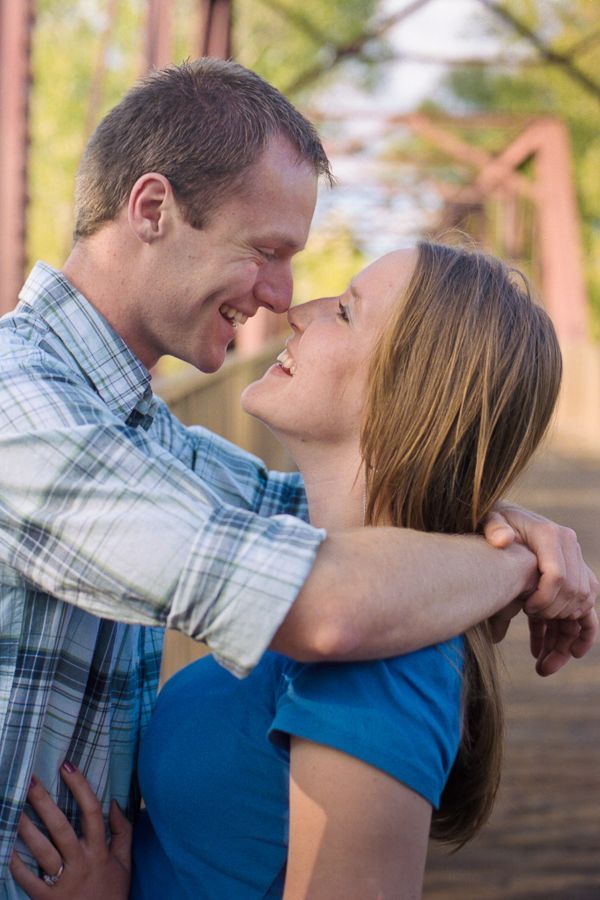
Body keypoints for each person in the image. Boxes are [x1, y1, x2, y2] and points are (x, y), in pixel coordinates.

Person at [0, 59, 596, 897]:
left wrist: (496, 518)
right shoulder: (19, 408)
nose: (287, 299)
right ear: (152, 210)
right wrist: (514, 560)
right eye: (266, 252)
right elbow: (321, 597)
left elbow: (309, 528)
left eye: (341, 304)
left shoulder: (141, 440)